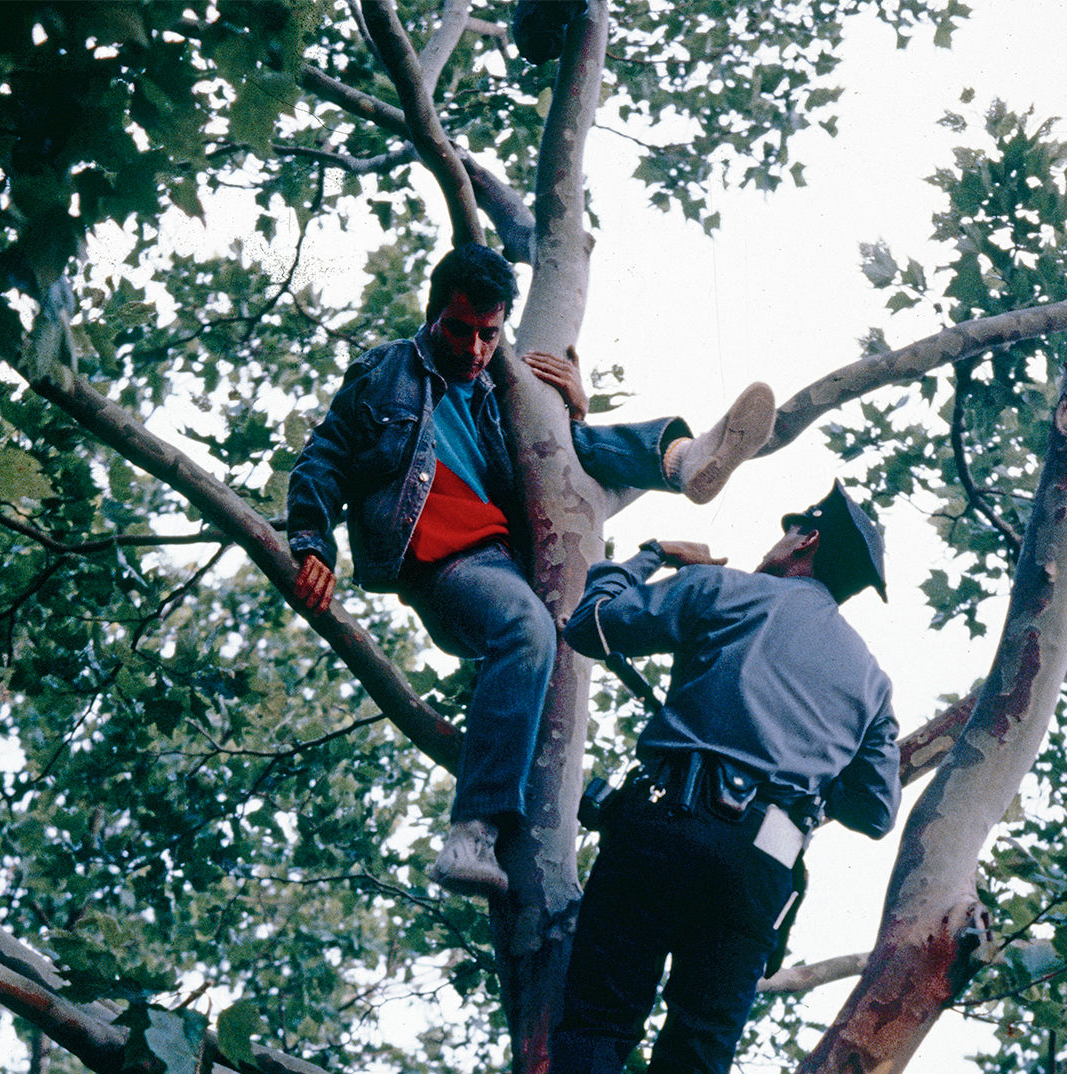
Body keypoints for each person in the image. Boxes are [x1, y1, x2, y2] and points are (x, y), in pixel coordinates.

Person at [514, 482, 902, 1074]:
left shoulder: (723, 591)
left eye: (787, 525)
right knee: (696, 1054)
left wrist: (650, 556)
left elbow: (593, 624)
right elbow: (876, 811)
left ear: (803, 540)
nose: (776, 538)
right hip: (756, 870)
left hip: (661, 821)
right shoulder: (869, 680)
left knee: (601, 1019)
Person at [287, 243, 776, 896]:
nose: (475, 349)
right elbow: (324, 457)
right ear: (434, 317)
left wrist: (570, 406)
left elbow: (550, 464)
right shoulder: (386, 371)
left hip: (508, 553)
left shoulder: (498, 385)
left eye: (490, 335)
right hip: (443, 567)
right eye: (460, 330)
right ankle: (472, 831)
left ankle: (685, 460)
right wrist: (312, 544)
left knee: (572, 444)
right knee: (526, 628)